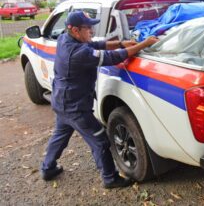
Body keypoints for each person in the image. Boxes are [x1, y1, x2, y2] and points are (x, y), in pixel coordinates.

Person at [40, 11, 159, 189]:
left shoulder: (65, 39)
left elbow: (95, 44)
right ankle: (110, 178)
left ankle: (47, 168)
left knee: (60, 136)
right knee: (100, 141)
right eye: (88, 28)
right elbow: (113, 57)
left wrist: (120, 42)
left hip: (62, 101)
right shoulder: (78, 53)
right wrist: (143, 44)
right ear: (74, 30)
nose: (92, 30)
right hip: (75, 107)